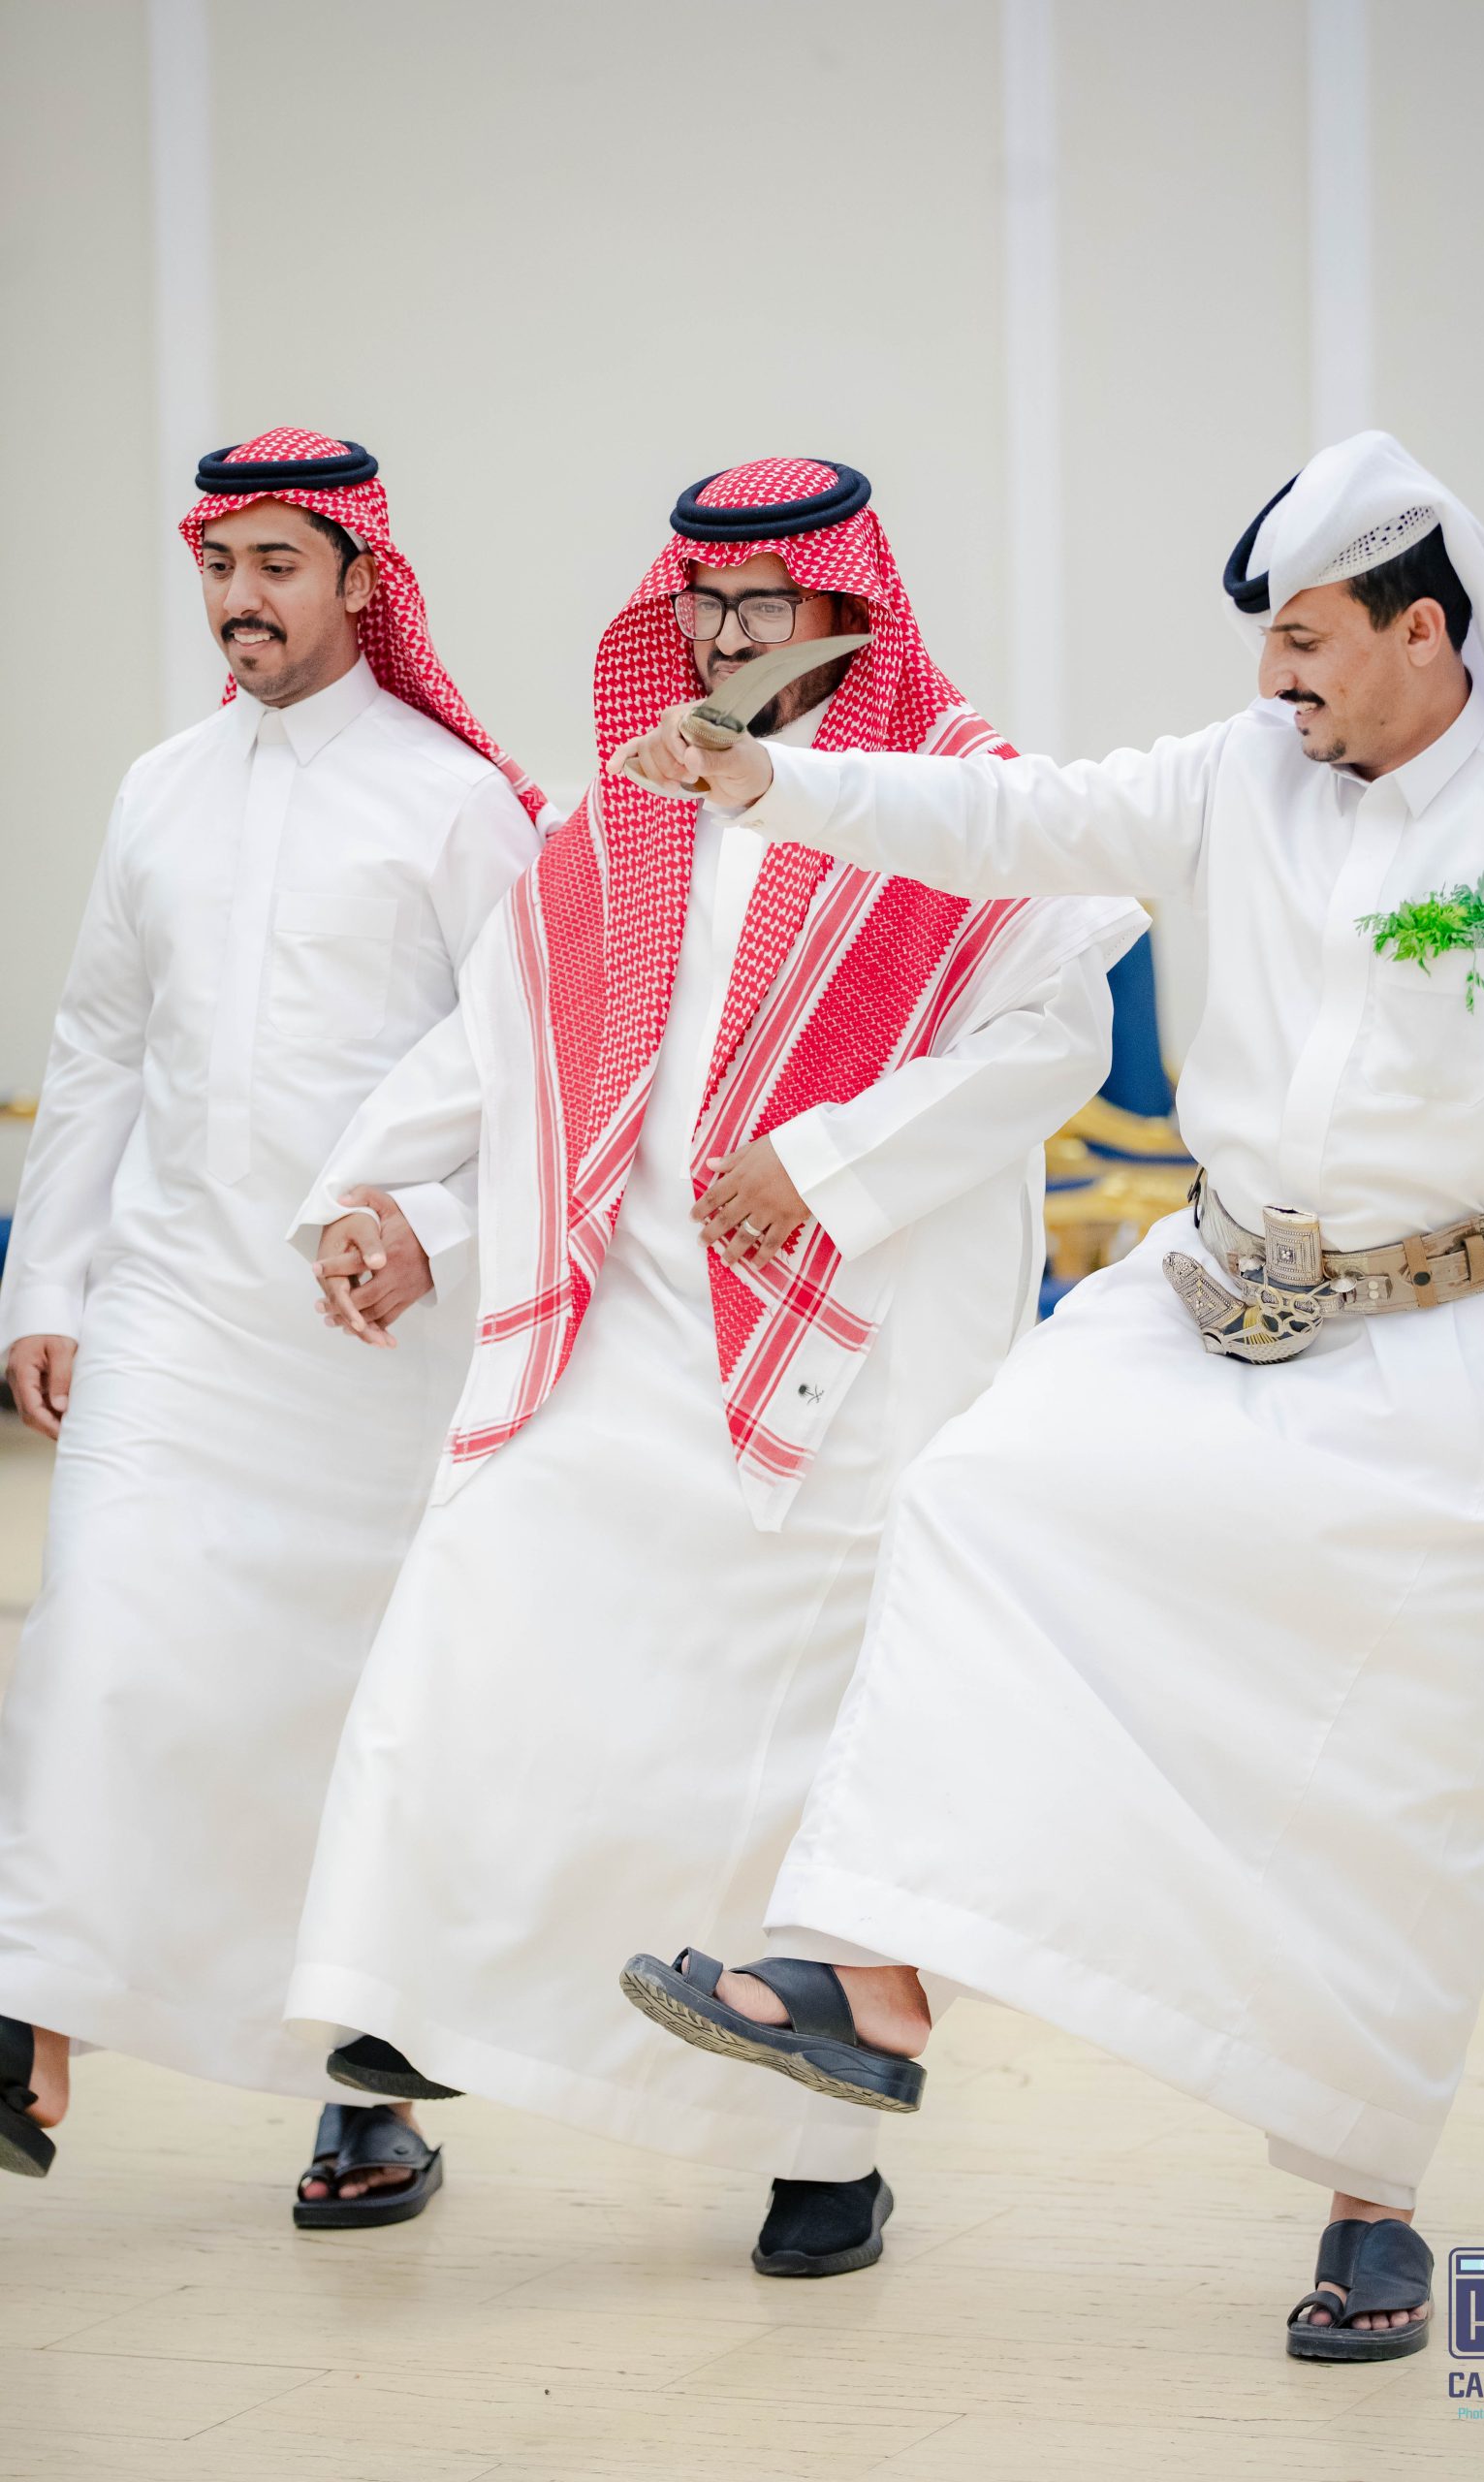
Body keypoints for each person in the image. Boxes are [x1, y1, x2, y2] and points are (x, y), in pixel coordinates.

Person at [616, 430, 1484, 2357]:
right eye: (1270, 639)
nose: (1274, 676)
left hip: (1457, 1361)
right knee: (981, 1496)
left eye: (1309, 640)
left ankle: (1369, 2200)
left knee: (1394, 1782)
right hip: (1210, 1298)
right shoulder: (1231, 776)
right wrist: (777, 780)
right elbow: (1008, 818)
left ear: (1426, 634)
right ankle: (870, 1973)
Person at [281, 457, 1145, 2278]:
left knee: (790, 1761)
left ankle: (822, 2157)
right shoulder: (640, 793)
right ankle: (422, 2006)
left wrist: (825, 1164)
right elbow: (515, 1040)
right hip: (628, 1314)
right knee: (482, 1607)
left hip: (854, 1343)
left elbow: (1050, 1044)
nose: (724, 637)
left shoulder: (958, 792)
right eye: (702, 604)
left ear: (845, 609)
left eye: (761, 605)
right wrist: (395, 1204)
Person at [0, 430, 545, 2226]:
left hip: (365, 1343)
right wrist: (49, 1283)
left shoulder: (453, 804)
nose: (240, 600)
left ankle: (361, 2092)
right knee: (95, 1639)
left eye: (277, 566)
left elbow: (533, 1075)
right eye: (219, 566)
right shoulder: (160, 789)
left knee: (338, 1717)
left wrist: (438, 1236)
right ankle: (28, 2021)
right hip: (169, 1305)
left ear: (361, 579)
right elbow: (98, 1043)